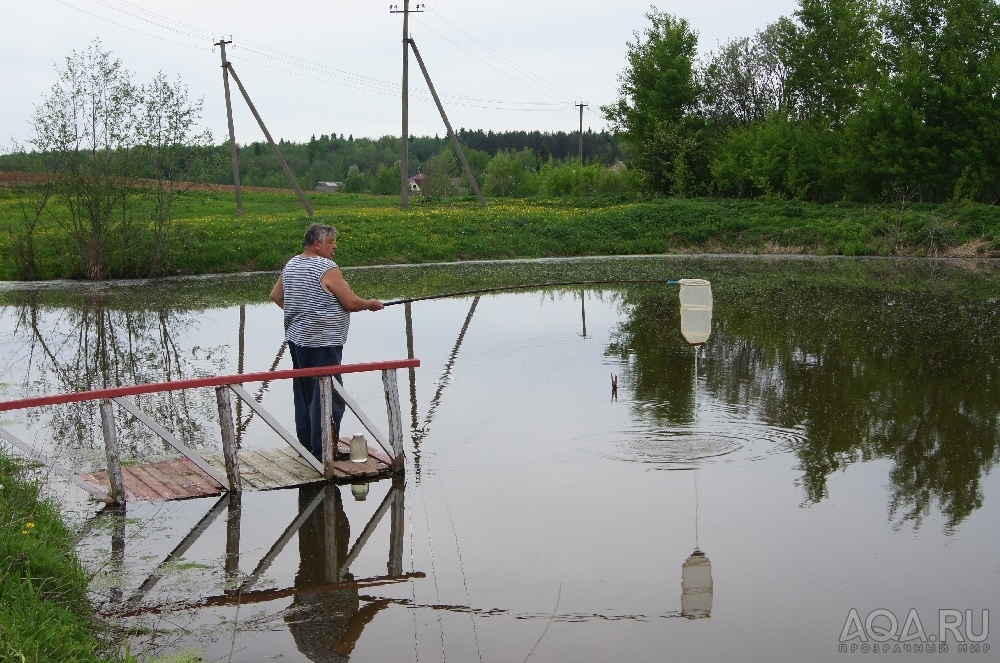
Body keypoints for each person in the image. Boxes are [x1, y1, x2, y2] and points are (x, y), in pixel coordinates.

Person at [270, 223, 383, 461]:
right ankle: (324, 452)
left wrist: (302, 315)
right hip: (323, 344)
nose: (335, 246)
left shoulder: (292, 263)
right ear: (316, 244)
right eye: (330, 242)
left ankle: (308, 448)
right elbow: (350, 303)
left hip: (297, 341)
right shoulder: (326, 267)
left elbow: (276, 296)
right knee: (328, 396)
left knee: (306, 394)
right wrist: (370, 304)